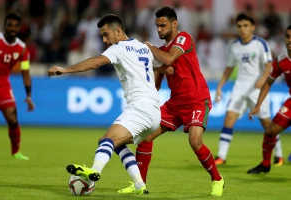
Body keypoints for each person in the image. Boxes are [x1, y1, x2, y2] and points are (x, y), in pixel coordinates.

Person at [48, 14, 173, 195]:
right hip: (154, 111)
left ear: (118, 30)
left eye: (106, 34)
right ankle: (140, 185)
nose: (105, 40)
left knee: (107, 141)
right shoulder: (142, 47)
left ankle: (94, 172)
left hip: (139, 107)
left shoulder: (119, 48)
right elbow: (168, 68)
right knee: (112, 143)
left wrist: (66, 69)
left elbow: (96, 62)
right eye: (102, 36)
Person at [118, 7, 224, 197]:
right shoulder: (160, 53)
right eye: (157, 26)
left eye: (163, 25)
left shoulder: (183, 38)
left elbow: (169, 58)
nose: (159, 30)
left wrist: (149, 47)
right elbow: (156, 85)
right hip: (175, 104)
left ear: (174, 24)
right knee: (145, 137)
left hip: (197, 100)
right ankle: (139, 185)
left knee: (195, 141)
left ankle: (217, 179)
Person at [214, 13, 284, 166]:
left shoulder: (261, 44)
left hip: (257, 89)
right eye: (239, 26)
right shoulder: (234, 46)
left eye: (245, 26)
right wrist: (220, 86)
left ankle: (278, 155)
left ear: (252, 27)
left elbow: (269, 65)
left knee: (267, 124)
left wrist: (263, 79)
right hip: (240, 87)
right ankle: (221, 156)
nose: (242, 29)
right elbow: (229, 68)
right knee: (229, 118)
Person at [247, 25, 291, 174]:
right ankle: (265, 164)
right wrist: (258, 105)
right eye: (288, 36)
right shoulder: (281, 62)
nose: (290, 40)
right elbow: (267, 83)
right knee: (270, 131)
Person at [0, 13, 34, 160]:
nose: (12, 29)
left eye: (16, 26)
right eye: (9, 25)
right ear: (5, 25)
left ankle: (16, 151)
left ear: (19, 28)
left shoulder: (22, 49)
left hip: (2, 84)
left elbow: (26, 73)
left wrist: (28, 96)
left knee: (13, 119)